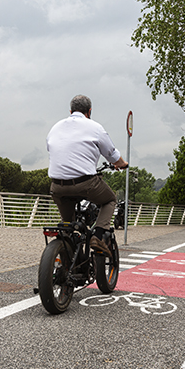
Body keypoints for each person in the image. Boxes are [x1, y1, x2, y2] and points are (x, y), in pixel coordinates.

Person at [46, 95, 128, 257]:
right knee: (110, 199)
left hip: (57, 187)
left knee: (68, 224)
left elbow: (52, 149)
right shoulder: (95, 127)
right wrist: (121, 164)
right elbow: (111, 153)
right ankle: (98, 234)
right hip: (85, 184)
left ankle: (66, 258)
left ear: (70, 111)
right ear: (89, 111)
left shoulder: (55, 127)